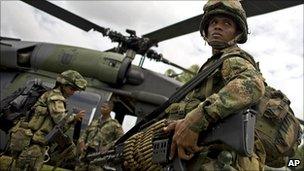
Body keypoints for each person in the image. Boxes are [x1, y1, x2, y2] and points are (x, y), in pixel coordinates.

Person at [163, 0, 266, 170]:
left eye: (227, 23)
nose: (218, 27)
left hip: (222, 160)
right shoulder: (214, 64)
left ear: (237, 33)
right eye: (213, 22)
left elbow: (253, 84)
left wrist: (194, 121)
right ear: (206, 30)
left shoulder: (232, 59)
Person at [11, 70, 87, 171]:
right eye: (72, 88)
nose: (73, 92)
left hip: (36, 143)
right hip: (34, 144)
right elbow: (59, 118)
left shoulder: (53, 95)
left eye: (76, 90)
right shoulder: (55, 97)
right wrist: (74, 117)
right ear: (63, 85)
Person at [76, 101, 124, 171]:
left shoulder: (115, 125)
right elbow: (85, 134)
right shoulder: (94, 122)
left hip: (98, 157)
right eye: (101, 107)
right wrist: (82, 143)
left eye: (104, 107)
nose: (102, 108)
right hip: (85, 154)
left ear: (110, 109)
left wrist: (107, 147)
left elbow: (121, 139)